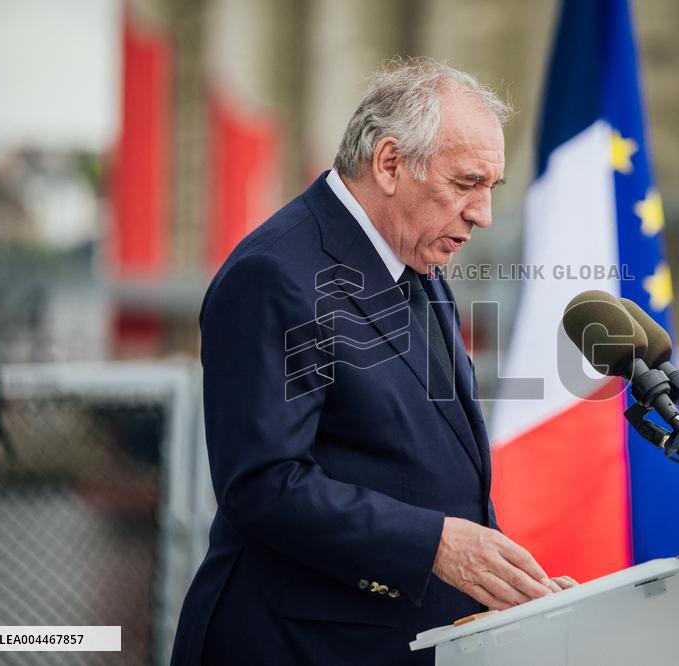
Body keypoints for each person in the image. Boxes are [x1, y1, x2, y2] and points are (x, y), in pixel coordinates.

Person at [170, 58, 574, 666]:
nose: (483, 213)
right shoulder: (273, 274)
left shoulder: (417, 256)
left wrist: (508, 588)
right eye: (466, 183)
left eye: (492, 187)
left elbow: (427, 463)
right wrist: (436, 547)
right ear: (389, 164)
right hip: (295, 645)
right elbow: (262, 485)